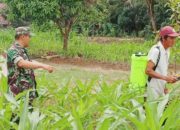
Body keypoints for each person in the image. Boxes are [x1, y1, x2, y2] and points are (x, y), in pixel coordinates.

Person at [7, 26, 54, 100]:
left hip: (26, 90)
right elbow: (21, 63)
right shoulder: (13, 50)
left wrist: (45, 66)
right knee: (18, 111)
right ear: (22, 37)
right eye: (29, 36)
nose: (30, 39)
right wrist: (42, 65)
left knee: (29, 110)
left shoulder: (22, 50)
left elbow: (29, 62)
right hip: (18, 92)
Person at [145, 26, 179, 100]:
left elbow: (162, 70)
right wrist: (166, 78)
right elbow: (148, 70)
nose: (173, 41)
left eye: (174, 38)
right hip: (152, 89)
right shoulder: (156, 51)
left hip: (160, 89)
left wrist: (165, 86)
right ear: (163, 38)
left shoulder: (167, 51)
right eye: (171, 38)